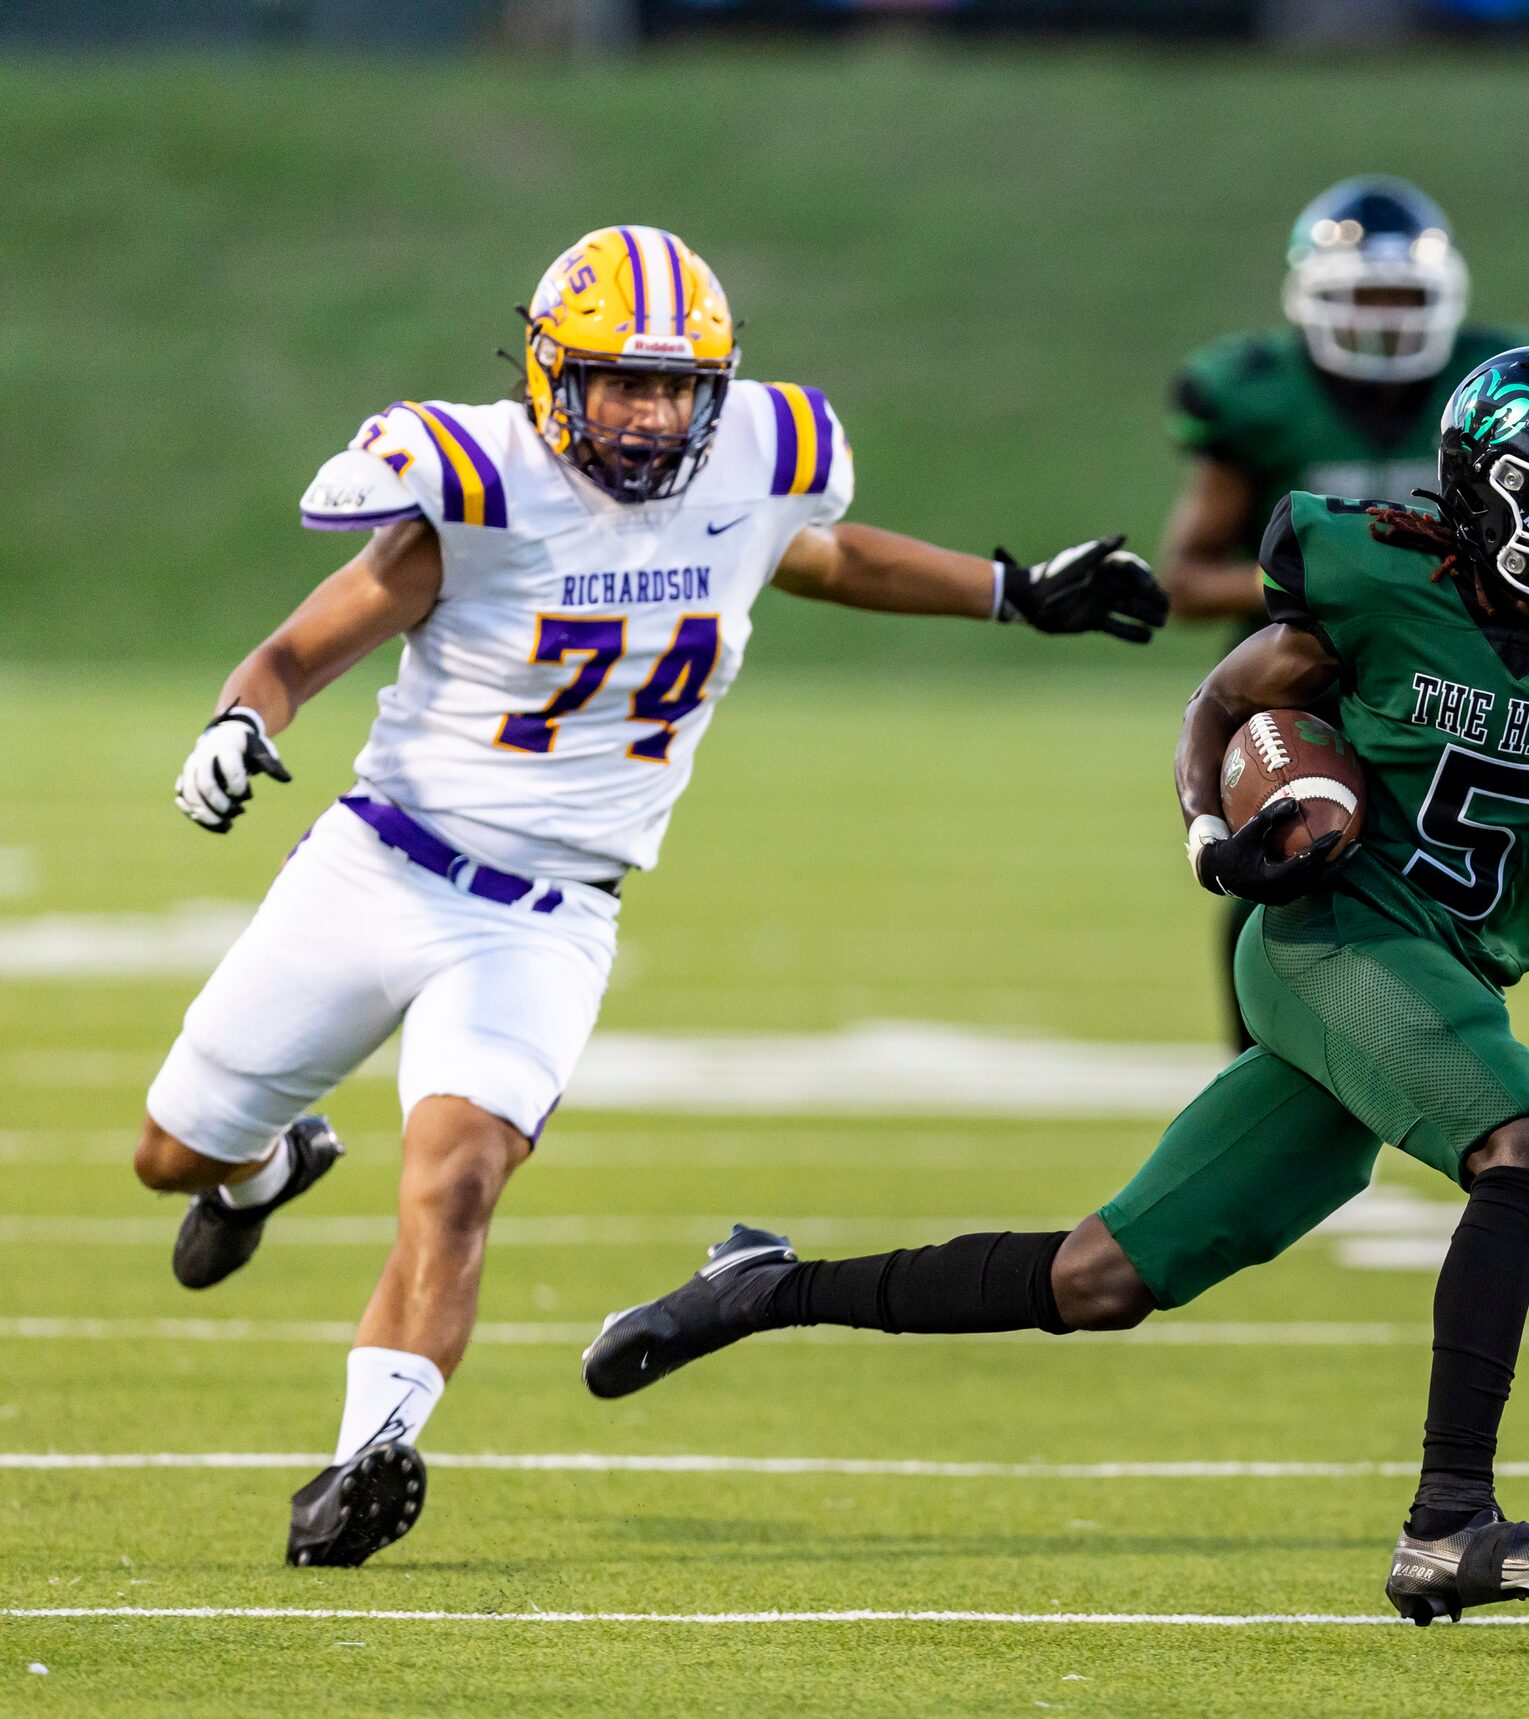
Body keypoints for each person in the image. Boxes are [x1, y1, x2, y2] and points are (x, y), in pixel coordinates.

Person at [584, 345, 1529, 1623]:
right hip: (1328, 940)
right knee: (1528, 1147)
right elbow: (1220, 705)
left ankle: (764, 1287)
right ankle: (1450, 1525)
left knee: (1097, 1281)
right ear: (1489, 500)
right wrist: (1207, 836)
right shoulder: (1380, 581)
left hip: (1442, 976)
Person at [135, 225, 1167, 1569]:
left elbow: (825, 554)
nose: (646, 413)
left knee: (457, 1181)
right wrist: (236, 722)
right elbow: (294, 646)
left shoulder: (750, 472)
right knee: (175, 1154)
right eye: (618, 383)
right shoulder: (478, 488)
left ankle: (364, 1457)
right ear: (550, 376)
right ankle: (269, 1168)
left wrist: (1011, 591)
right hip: (376, 862)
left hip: (545, 914)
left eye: (673, 387)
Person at [1159, 176, 1526, 1049]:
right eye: (1367, 296)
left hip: (1435, 686)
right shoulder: (1259, 394)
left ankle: (1422, 1077)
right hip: (1300, 686)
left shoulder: (1493, 387)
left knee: (1443, 895)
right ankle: (1265, 1079)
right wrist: (1340, 582)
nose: (1388, 319)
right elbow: (1183, 580)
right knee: (1282, 874)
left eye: (1405, 297)